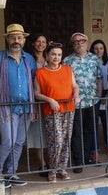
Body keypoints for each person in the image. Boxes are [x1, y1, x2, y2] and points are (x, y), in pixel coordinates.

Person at [34, 42, 80, 182]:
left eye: (59, 54)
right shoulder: (40, 73)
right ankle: (52, 169)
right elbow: (36, 93)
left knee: (66, 140)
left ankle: (62, 168)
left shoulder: (67, 69)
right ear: (47, 56)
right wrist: (50, 100)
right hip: (52, 111)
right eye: (53, 54)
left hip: (69, 109)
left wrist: (76, 94)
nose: (56, 57)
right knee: (56, 140)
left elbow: (75, 86)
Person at [0, 24, 37, 189]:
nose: (16, 41)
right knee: (8, 141)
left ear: (24, 40)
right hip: (6, 108)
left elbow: (35, 82)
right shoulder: (1, 58)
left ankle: (11, 173)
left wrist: (34, 107)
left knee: (19, 142)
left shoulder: (29, 59)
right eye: (13, 37)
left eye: (19, 37)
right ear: (7, 39)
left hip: (26, 108)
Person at [63, 32, 103, 173]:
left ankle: (86, 157)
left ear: (86, 42)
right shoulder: (67, 61)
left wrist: (99, 96)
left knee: (90, 130)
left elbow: (99, 78)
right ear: (72, 45)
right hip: (76, 102)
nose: (79, 44)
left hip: (93, 100)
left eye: (81, 41)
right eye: (75, 42)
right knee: (77, 132)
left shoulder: (95, 59)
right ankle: (78, 160)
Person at [90, 40, 108, 156]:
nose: (98, 51)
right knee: (93, 123)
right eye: (96, 48)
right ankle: (95, 149)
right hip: (93, 95)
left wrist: (107, 96)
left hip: (107, 94)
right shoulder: (89, 62)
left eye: (101, 48)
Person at [27, 35, 49, 175]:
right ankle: (42, 164)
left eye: (43, 42)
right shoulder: (28, 59)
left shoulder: (50, 57)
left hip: (48, 102)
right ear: (34, 44)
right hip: (35, 101)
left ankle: (50, 162)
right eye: (38, 41)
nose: (41, 44)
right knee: (37, 134)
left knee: (49, 133)